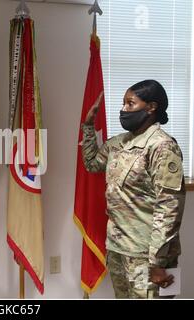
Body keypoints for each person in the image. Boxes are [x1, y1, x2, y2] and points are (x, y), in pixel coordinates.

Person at [82, 80, 186, 299]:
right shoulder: (119, 143)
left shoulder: (163, 146)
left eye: (130, 104)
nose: (123, 109)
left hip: (146, 255)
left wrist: (158, 262)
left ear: (151, 107)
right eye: (123, 104)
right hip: (119, 249)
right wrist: (88, 126)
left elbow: (169, 209)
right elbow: (91, 163)